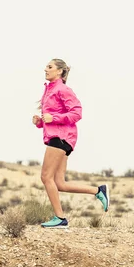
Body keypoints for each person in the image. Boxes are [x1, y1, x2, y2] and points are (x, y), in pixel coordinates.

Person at [32, 58, 109, 229]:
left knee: (45, 177)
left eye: (49, 67)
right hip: (58, 137)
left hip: (62, 138)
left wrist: (54, 118)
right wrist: (40, 122)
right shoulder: (49, 91)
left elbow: (77, 113)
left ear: (59, 71)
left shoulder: (63, 89)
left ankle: (60, 218)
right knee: (59, 184)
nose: (45, 69)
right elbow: (51, 119)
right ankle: (98, 191)